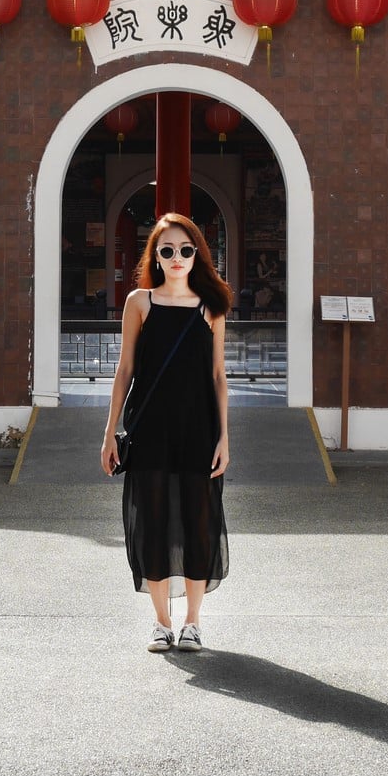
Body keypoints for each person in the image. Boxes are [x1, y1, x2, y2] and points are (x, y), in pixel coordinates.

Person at [101, 212, 232, 652]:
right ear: (155, 256)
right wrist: (109, 433)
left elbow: (218, 376)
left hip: (199, 429)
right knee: (153, 520)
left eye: (186, 250)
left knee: (199, 521)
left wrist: (224, 437)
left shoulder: (211, 307)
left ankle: (193, 622)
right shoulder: (139, 302)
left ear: (197, 255)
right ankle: (161, 622)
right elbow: (125, 370)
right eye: (168, 250)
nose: (177, 257)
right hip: (151, 429)